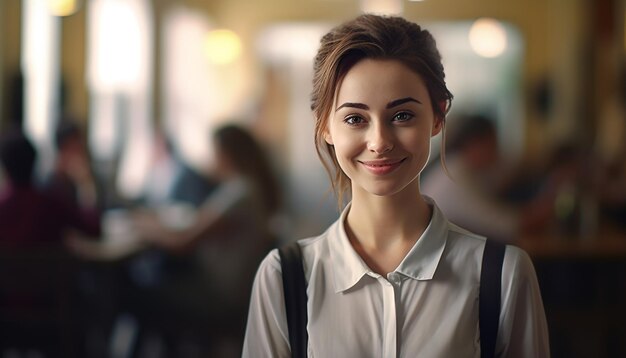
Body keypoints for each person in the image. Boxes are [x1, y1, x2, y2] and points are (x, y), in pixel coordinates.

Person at [242, 14, 549, 357]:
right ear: (325, 127)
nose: (379, 142)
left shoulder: (504, 275)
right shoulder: (284, 278)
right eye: (355, 119)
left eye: (402, 115)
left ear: (437, 116)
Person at [129, 123, 282, 355]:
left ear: (226, 154)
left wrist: (142, 230)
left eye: (214, 151)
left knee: (141, 292)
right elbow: (196, 227)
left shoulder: (240, 194)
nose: (211, 158)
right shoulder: (245, 190)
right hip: (223, 290)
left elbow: (184, 242)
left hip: (217, 296)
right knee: (158, 280)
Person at [421, 114, 559, 242]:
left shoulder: (456, 167)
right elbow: (510, 225)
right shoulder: (454, 176)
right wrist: (552, 199)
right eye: (493, 143)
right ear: (476, 144)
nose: (497, 151)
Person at [0, 129, 101, 245]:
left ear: (5, 168)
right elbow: (94, 228)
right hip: (49, 264)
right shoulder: (52, 205)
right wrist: (86, 186)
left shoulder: (3, 208)